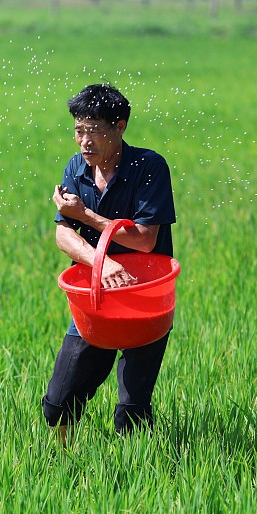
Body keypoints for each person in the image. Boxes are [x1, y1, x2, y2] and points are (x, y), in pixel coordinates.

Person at [43, 84, 176, 442]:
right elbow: (63, 236)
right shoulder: (76, 168)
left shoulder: (149, 167)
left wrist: (85, 215)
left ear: (120, 126)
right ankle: (60, 466)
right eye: (79, 130)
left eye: (95, 131)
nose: (85, 142)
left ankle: (137, 475)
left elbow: (145, 240)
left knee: (131, 412)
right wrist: (101, 264)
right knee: (58, 403)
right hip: (95, 300)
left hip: (144, 300)